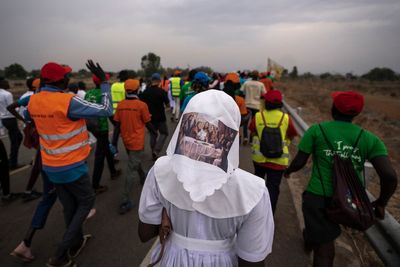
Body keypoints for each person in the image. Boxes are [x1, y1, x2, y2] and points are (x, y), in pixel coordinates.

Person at [138, 90, 274, 266]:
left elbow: (145, 233)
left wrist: (167, 214)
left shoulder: (161, 170)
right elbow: (252, 260)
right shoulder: (253, 191)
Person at [284, 91, 398, 267]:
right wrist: (381, 203)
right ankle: (311, 238)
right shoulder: (369, 139)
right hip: (349, 201)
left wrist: (289, 171)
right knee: (324, 235)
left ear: (333, 108)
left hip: (318, 198)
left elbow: (300, 161)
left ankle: (312, 241)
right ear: (356, 114)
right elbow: (389, 176)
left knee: (324, 250)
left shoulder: (317, 130)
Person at [27, 60, 112, 267]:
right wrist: (103, 82)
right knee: (86, 201)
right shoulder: (68, 101)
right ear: (60, 80)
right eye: (66, 75)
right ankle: (60, 254)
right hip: (72, 166)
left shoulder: (33, 101)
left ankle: (75, 242)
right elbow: (106, 110)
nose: (68, 78)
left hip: (50, 166)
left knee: (69, 207)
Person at [249, 90, 298, 214]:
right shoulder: (286, 118)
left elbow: (253, 131)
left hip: (260, 159)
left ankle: (255, 211)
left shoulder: (258, 116)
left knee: (258, 184)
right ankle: (269, 214)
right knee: (273, 187)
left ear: (266, 102)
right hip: (279, 160)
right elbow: (292, 134)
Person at [113, 79, 156, 214]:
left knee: (134, 162)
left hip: (126, 141)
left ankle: (143, 177)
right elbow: (148, 123)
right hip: (137, 142)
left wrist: (114, 142)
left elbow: (117, 126)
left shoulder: (120, 105)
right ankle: (125, 200)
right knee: (131, 170)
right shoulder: (141, 105)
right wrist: (155, 132)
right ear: (137, 90)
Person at [6, 79, 42, 201]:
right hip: (37, 131)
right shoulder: (36, 99)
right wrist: (26, 120)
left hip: (32, 129)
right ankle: (28, 190)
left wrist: (24, 120)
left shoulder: (29, 97)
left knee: (42, 159)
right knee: (39, 161)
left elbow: (11, 107)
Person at [85, 74, 121, 194]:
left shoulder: (88, 93)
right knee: (100, 155)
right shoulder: (104, 94)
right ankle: (95, 185)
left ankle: (113, 172)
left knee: (106, 148)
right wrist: (117, 125)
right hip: (102, 127)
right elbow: (109, 112)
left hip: (91, 126)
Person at [140, 73, 170, 160]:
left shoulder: (146, 92)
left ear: (152, 81)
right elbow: (167, 105)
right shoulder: (161, 92)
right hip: (160, 117)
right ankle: (156, 151)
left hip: (149, 118)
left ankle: (153, 150)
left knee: (153, 134)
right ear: (159, 81)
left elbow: (141, 103)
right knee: (164, 133)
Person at [0, 78, 23, 170]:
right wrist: (21, 118)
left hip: (4, 119)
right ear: (1, 83)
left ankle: (12, 160)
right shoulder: (7, 94)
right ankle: (13, 163)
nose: (8, 83)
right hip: (10, 119)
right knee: (15, 140)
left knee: (18, 137)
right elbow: (11, 108)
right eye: (6, 82)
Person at [223, 72, 251, 145]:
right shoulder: (240, 100)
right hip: (234, 134)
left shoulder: (218, 98)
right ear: (237, 86)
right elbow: (243, 119)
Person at [110, 70, 129, 154]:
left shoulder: (113, 86)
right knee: (125, 134)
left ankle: (113, 152)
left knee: (116, 133)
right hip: (122, 113)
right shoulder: (125, 86)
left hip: (113, 113)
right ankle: (130, 152)